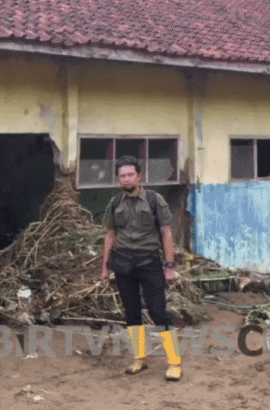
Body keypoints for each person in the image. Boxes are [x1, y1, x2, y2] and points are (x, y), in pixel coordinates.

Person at [100, 155, 182, 381]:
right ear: (118, 179)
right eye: (122, 176)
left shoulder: (154, 200)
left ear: (139, 176)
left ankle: (174, 362)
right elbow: (110, 235)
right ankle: (140, 358)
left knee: (158, 312)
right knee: (132, 311)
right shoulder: (115, 202)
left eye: (130, 174)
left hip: (149, 263)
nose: (126, 179)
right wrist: (105, 268)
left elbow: (166, 233)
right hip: (123, 264)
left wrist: (170, 266)